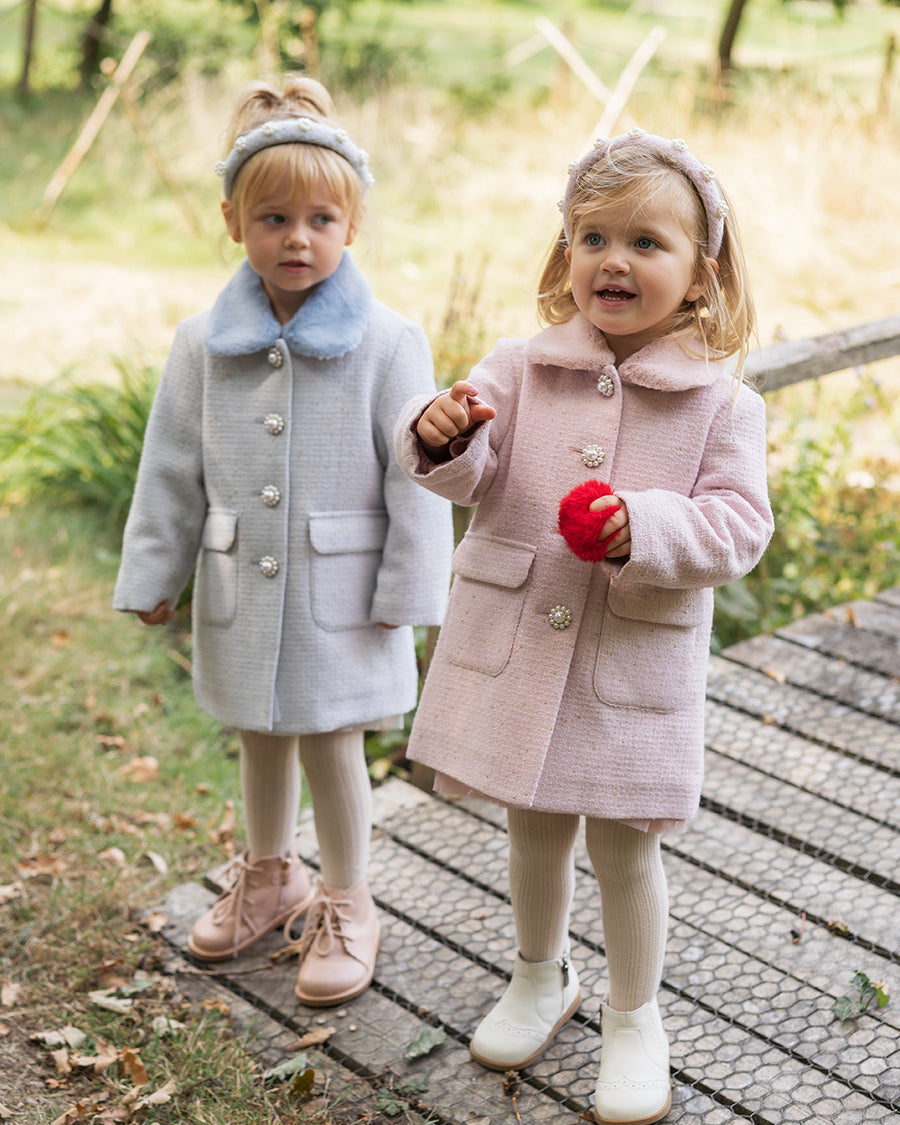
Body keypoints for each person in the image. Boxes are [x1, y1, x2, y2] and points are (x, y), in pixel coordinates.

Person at [394, 129, 772, 1123]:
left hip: (625, 663)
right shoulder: (520, 368)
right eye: (592, 237)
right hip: (519, 646)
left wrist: (644, 527)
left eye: (647, 242)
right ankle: (539, 973)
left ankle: (633, 1016)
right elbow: (469, 470)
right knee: (532, 824)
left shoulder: (723, 406)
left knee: (624, 845)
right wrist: (440, 434)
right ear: (566, 251)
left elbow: (739, 527)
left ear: (702, 273)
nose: (613, 260)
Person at [114, 76, 452, 1008]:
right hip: (241, 590)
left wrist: (412, 593)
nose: (296, 238)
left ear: (353, 226)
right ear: (233, 222)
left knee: (332, 743)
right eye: (272, 219)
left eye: (319, 220)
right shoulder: (200, 344)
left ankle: (348, 900)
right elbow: (171, 467)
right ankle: (269, 874)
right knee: (258, 738)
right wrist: (154, 572)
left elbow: (416, 476)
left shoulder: (390, 342)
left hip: (343, 598)